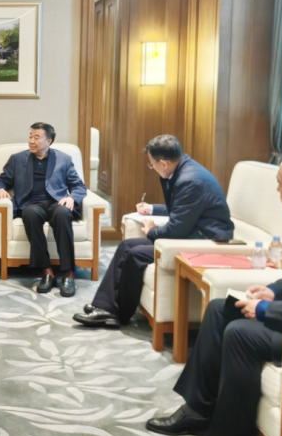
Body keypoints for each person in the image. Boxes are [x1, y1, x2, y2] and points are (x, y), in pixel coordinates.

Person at [144, 147, 282, 436]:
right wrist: (274, 291)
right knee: (219, 310)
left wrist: (268, 309)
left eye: (281, 183)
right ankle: (198, 411)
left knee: (240, 333)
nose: (278, 190)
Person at [75, 134, 233, 327]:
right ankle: (104, 306)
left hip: (206, 240)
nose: (152, 168)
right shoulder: (185, 169)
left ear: (164, 163)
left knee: (136, 254)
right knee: (126, 246)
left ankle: (118, 313)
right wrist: (152, 209)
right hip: (193, 231)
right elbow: (182, 208)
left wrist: (151, 231)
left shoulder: (190, 180)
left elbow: (176, 230)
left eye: (152, 164)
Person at [0, 122, 87, 297]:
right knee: (29, 214)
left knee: (62, 214)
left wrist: (71, 198)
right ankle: (47, 271)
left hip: (57, 202)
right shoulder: (17, 159)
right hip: (31, 203)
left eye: (37, 137)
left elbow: (78, 186)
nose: (31, 141)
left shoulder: (63, 159)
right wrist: (0, 189)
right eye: (30, 136)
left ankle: (68, 273)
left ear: (48, 141)